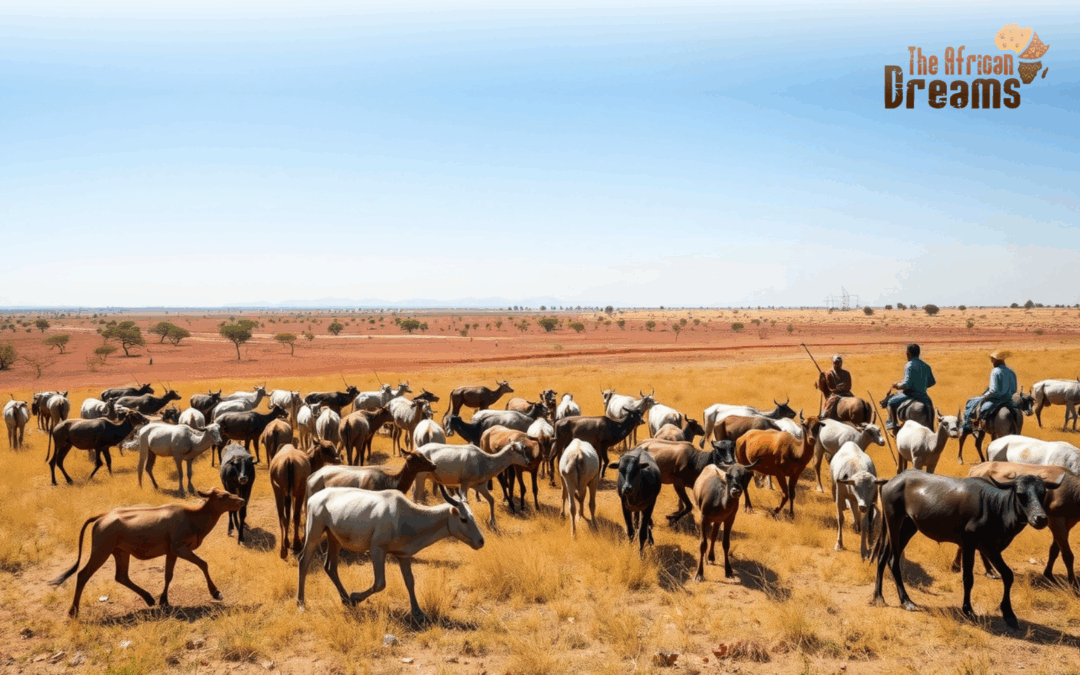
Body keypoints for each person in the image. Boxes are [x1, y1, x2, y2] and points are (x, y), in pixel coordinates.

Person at [961, 350, 1018, 433]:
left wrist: (984, 396)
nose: (991, 361)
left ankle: (968, 426)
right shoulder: (1011, 371)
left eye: (993, 359)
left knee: (972, 402)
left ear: (996, 360)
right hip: (1009, 400)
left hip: (995, 399)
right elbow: (1014, 389)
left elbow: (993, 390)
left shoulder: (995, 371)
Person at [885, 343, 936, 431]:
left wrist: (897, 385)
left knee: (891, 402)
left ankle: (892, 423)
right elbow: (932, 382)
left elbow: (906, 384)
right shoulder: (926, 365)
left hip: (910, 394)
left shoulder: (909, 365)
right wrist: (922, 384)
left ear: (908, 353)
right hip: (924, 395)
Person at [818, 354, 852, 420]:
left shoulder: (846, 373)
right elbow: (826, 387)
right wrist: (821, 378)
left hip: (846, 393)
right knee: (831, 401)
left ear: (841, 363)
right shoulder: (828, 374)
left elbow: (849, 386)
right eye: (835, 362)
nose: (837, 364)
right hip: (835, 394)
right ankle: (825, 412)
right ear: (833, 363)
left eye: (839, 363)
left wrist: (842, 388)